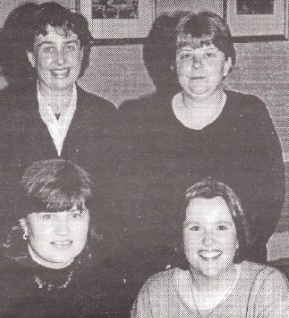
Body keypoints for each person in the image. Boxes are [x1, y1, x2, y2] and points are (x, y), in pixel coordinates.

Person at [118, 11, 284, 281]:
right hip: (166, 270)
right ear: (173, 65)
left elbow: (269, 199)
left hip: (238, 265)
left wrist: (229, 257)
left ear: (227, 64)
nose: (196, 66)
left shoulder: (250, 114)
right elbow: (133, 206)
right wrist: (175, 264)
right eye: (186, 55)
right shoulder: (141, 118)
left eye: (209, 55)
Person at [0, 2, 118, 262]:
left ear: (82, 53)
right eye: (47, 48)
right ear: (31, 57)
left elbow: (113, 205)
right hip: (12, 262)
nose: (60, 59)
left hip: (90, 263)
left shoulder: (107, 116)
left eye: (69, 47)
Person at [0, 159, 128, 318]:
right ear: (24, 224)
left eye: (74, 215)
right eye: (48, 216)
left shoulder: (109, 285)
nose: (63, 230)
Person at [131, 178, 289, 318]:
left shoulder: (265, 287)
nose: (208, 241)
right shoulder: (155, 295)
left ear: (237, 238)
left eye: (221, 227)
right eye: (195, 228)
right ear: (181, 238)